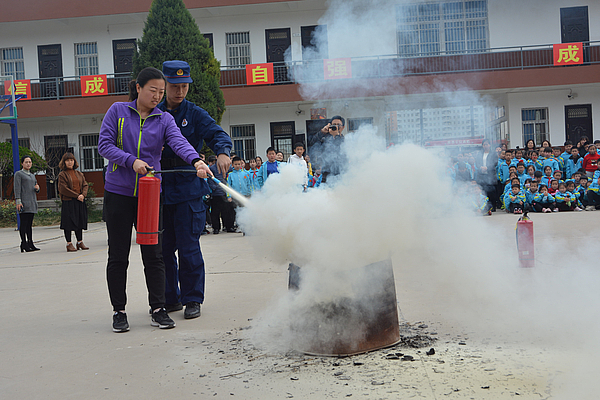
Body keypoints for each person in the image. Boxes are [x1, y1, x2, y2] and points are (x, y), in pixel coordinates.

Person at [98, 67, 210, 333]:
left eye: (161, 92)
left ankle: (158, 308)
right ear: (138, 88)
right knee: (118, 254)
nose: (158, 97)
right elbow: (104, 145)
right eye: (153, 91)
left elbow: (179, 143)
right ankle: (119, 311)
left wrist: (196, 161)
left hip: (149, 195)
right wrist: (131, 161)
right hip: (118, 194)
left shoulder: (164, 119)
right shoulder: (117, 111)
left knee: (154, 254)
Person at [157, 60, 232, 319]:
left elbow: (217, 135)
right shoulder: (152, 112)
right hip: (159, 191)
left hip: (189, 190)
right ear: (164, 84)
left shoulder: (195, 113)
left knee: (189, 247)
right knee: (163, 250)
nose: (180, 91)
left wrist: (222, 153)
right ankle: (170, 298)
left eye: (185, 86)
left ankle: (192, 299)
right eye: (175, 86)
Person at [57, 152, 89, 252]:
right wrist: (77, 195)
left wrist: (83, 195)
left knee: (79, 221)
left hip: (79, 201)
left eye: (71, 160)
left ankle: (80, 242)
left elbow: (85, 185)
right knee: (68, 223)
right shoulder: (62, 175)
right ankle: (69, 243)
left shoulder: (79, 174)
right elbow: (63, 189)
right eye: (67, 160)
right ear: (64, 162)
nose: (70, 162)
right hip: (69, 201)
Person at [308, 115, 346, 183]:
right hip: (326, 175)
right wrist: (322, 132)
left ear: (343, 127)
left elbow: (340, 151)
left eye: (338, 125)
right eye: (334, 125)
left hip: (341, 175)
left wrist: (336, 136)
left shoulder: (345, 141)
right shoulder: (325, 139)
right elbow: (312, 143)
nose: (336, 127)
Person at [14, 155, 40, 252]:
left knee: (29, 224)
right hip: (24, 202)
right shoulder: (19, 174)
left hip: (32, 202)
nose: (28, 163)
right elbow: (17, 188)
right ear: (22, 163)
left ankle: (30, 242)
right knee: (24, 224)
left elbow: (36, 186)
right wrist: (18, 201)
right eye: (26, 162)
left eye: (30, 162)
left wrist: (38, 188)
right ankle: (23, 243)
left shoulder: (32, 175)